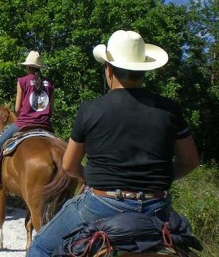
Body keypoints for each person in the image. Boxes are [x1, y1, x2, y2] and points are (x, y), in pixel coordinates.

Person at [27, 30, 200, 256]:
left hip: (103, 204)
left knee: (41, 245)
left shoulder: (90, 109)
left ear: (109, 70)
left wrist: (88, 176)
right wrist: (161, 179)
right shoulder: (170, 110)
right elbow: (190, 161)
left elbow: (69, 165)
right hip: (157, 208)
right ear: (143, 72)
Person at [0, 51, 55, 189]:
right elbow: (51, 109)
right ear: (39, 67)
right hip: (45, 125)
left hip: (24, 123)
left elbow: (16, 108)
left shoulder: (22, 81)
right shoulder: (50, 83)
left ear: (28, 67)